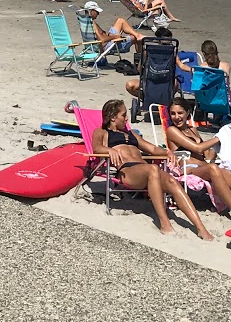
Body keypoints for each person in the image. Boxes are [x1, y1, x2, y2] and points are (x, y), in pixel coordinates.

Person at [91, 99, 212, 239]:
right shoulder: (102, 132)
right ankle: (165, 223)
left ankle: (200, 228)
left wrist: (168, 153)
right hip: (127, 172)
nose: (127, 118)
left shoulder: (132, 134)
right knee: (153, 169)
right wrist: (108, 150)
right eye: (123, 115)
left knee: (172, 182)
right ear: (113, 117)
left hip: (146, 169)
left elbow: (152, 149)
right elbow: (96, 147)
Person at [164, 97, 231, 227]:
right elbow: (197, 148)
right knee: (213, 168)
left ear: (187, 112)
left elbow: (206, 153)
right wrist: (218, 138)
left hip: (205, 167)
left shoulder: (192, 130)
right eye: (173, 113)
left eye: (180, 113)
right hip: (189, 168)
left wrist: (226, 140)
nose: (176, 117)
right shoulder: (172, 131)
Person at [195, 40, 231, 131]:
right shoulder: (225, 66)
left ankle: (216, 120)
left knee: (215, 94)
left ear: (203, 53)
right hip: (226, 107)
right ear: (216, 52)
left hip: (206, 105)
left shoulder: (201, 68)